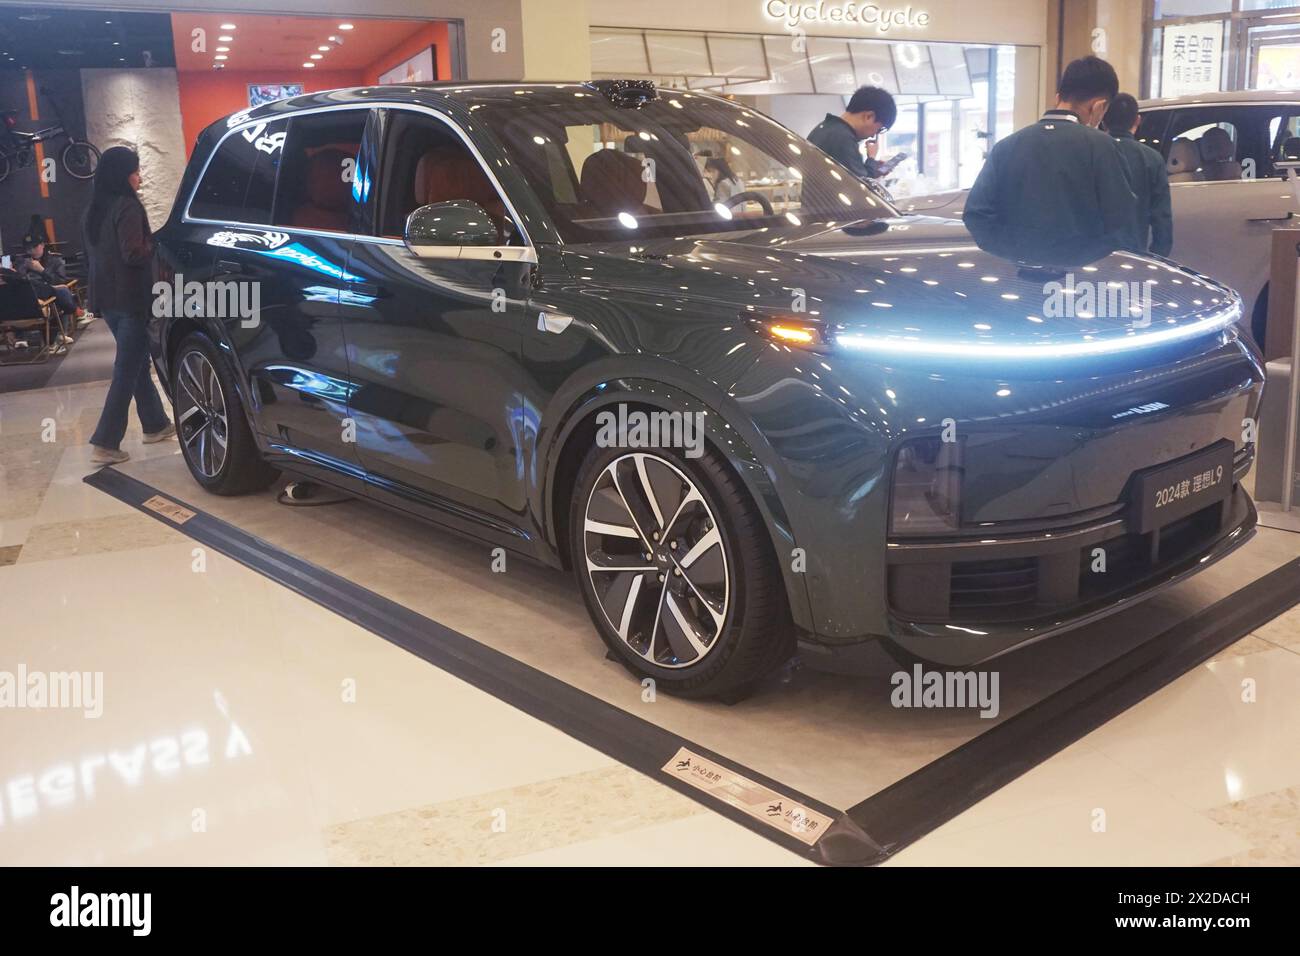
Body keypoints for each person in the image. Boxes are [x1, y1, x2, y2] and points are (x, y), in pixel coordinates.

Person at [963, 56, 1135, 265]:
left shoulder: (1006, 146)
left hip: (1018, 278)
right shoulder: (1102, 147)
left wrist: (1013, 252)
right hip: (1079, 279)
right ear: (1099, 106)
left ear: (1058, 97)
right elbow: (1123, 221)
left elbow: (976, 214)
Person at [84, 146, 174, 465]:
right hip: (132, 300)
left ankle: (155, 424)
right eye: (136, 171)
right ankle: (105, 442)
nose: (139, 177)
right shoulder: (127, 206)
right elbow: (134, 253)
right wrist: (158, 244)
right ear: (123, 175)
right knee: (126, 369)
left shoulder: (96, 209)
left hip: (107, 300)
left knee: (135, 364)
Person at [1102, 93, 1173, 257]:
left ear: (1103, 119)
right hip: (1134, 254)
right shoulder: (1152, 158)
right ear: (1137, 121)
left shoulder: (1090, 153)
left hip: (1093, 258)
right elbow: (1162, 218)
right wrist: (1158, 258)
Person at [807, 85, 897, 183]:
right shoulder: (842, 138)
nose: (873, 135)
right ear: (869, 116)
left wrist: (872, 168)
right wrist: (871, 158)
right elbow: (863, 186)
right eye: (878, 129)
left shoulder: (827, 126)